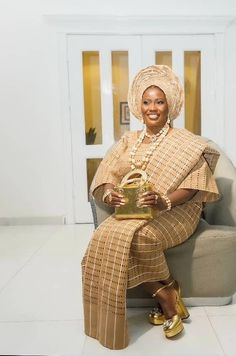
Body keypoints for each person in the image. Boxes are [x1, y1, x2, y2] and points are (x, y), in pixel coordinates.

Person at [81, 65, 220, 350]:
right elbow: (106, 176)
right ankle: (168, 293)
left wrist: (164, 199)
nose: (152, 108)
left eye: (159, 101)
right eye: (147, 102)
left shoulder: (186, 143)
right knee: (103, 241)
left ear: (169, 105)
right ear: (139, 106)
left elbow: (196, 183)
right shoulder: (128, 141)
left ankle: (169, 308)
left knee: (141, 238)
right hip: (132, 212)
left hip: (177, 212)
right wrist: (111, 196)